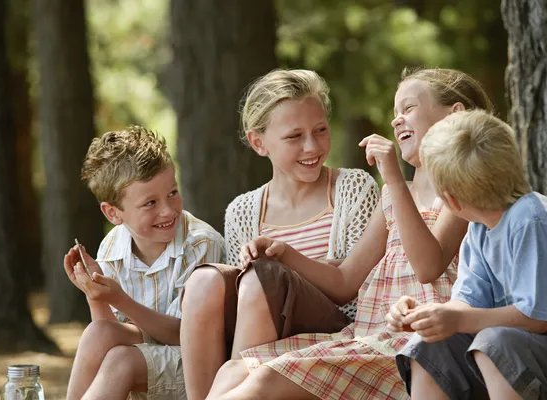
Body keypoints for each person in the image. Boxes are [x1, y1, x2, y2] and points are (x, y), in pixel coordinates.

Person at [211, 68, 493, 400]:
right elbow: (346, 282)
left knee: (264, 382)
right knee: (234, 369)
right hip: (365, 337)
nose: (396, 120)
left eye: (409, 108)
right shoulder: (393, 197)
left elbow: (428, 267)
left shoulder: (462, 191)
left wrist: (392, 177)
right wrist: (283, 252)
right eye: (394, 112)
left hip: (413, 345)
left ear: (454, 114)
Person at [179, 69, 381, 400]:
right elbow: (245, 303)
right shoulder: (243, 211)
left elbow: (359, 289)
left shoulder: (353, 188)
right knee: (205, 281)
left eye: (320, 130)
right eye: (294, 136)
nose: (312, 146)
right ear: (259, 143)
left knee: (264, 275)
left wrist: (282, 265)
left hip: (336, 333)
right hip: (264, 334)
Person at [390, 110, 547, 400]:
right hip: (533, 352)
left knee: (495, 344)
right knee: (430, 343)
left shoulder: (531, 220)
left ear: (451, 200)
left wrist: (458, 321)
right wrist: (430, 316)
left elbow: (538, 319)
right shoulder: (480, 228)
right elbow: (468, 303)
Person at [63, 126, 224, 400]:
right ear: (113, 213)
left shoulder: (200, 245)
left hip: (198, 365)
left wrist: (120, 299)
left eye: (172, 193)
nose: (168, 210)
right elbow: (111, 334)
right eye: (150, 203)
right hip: (146, 356)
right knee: (97, 333)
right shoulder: (113, 246)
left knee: (121, 361)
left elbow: (181, 334)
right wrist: (96, 294)